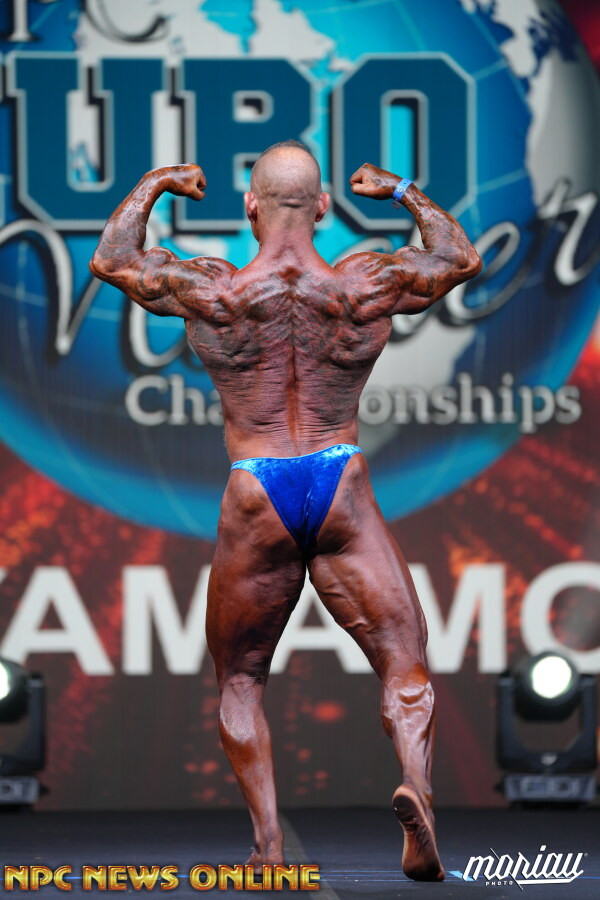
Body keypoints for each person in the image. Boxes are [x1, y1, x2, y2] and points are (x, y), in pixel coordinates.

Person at [90, 141, 482, 882]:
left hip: (256, 486)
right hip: (339, 480)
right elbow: (458, 259)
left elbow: (113, 259)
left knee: (241, 680)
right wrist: (401, 189)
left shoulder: (214, 289)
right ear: (325, 206)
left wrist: (156, 182)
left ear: (250, 206)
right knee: (403, 658)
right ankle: (417, 788)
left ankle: (268, 848)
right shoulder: (364, 282)